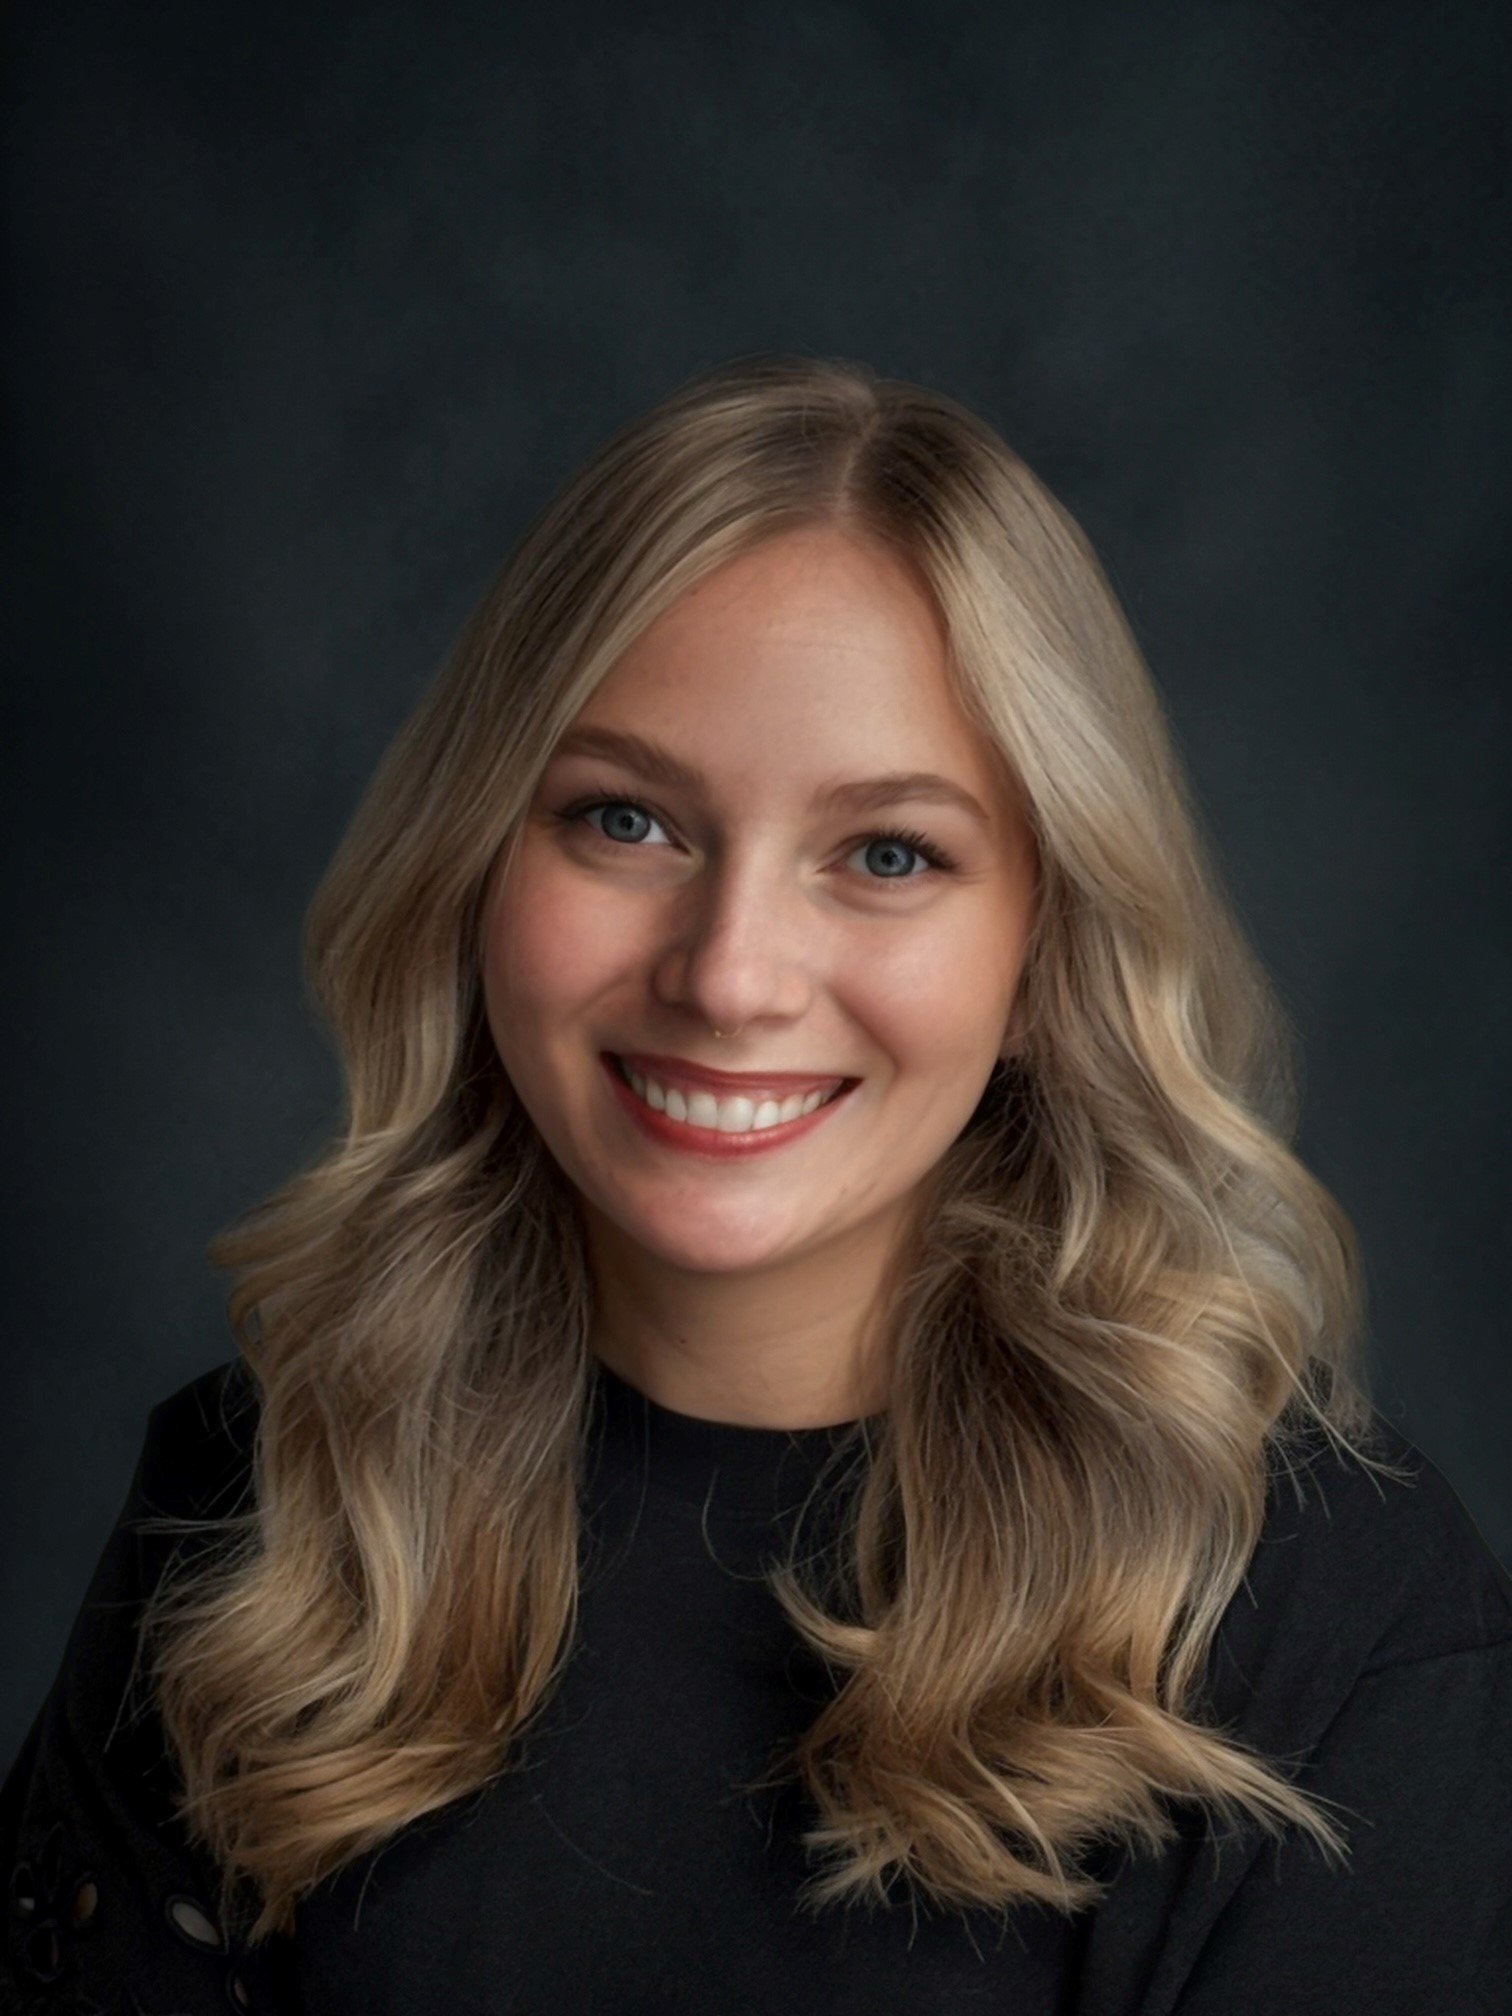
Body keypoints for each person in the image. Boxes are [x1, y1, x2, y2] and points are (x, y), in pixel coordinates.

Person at [3, 354, 1508, 2016]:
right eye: (626, 821)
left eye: (888, 855)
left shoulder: (1329, 1616)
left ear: (1048, 948)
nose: (730, 977)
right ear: (477, 865)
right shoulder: (257, 1514)